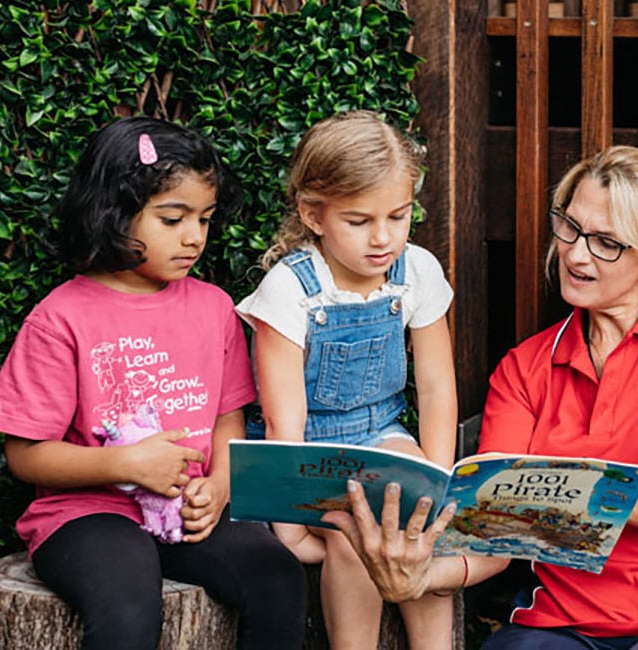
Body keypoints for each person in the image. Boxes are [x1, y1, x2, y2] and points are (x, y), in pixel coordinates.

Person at [322, 145, 638, 649]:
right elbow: (493, 529)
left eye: (606, 243)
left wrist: (566, 487)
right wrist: (419, 578)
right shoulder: (524, 368)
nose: (576, 254)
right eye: (570, 228)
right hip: (562, 623)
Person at [0, 116, 307, 650]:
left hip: (189, 510)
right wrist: (123, 465)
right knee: (129, 603)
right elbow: (25, 454)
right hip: (86, 515)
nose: (194, 236)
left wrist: (220, 485)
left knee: (276, 576)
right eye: (173, 218)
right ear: (113, 213)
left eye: (205, 218)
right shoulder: (61, 318)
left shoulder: (214, 307)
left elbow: (228, 416)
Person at [235, 110, 457, 649]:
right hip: (308, 452)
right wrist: (289, 526)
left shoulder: (417, 271)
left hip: (381, 432)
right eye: (359, 221)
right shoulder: (291, 290)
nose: (383, 238)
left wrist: (439, 478)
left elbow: (435, 385)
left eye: (398, 217)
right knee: (352, 529)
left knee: (416, 522)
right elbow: (285, 418)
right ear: (313, 214)